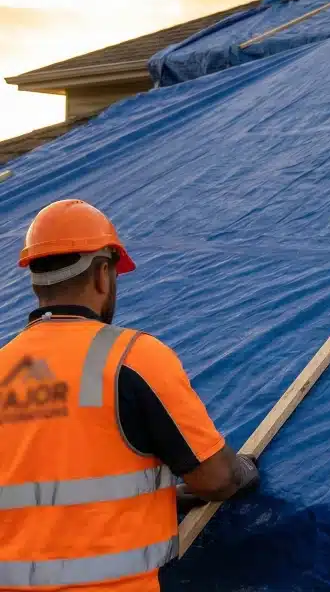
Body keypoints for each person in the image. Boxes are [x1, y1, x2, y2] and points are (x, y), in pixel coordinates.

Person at [0, 199, 259, 591]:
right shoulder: (133, 358)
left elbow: (43, 480)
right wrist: (243, 470)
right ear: (103, 274)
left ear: (36, 280)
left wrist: (158, 498)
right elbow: (215, 478)